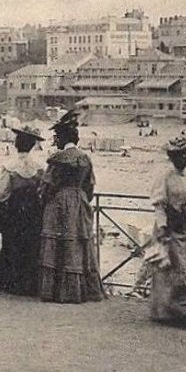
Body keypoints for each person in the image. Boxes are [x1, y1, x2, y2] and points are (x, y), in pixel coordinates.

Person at [38, 112, 104, 303]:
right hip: (80, 201)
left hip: (60, 202)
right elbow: (90, 185)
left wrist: (45, 199)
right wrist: (82, 198)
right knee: (78, 243)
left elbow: (48, 184)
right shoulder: (85, 158)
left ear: (64, 138)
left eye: (57, 137)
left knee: (58, 243)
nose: (55, 141)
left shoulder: (57, 158)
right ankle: (79, 290)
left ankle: (57, 290)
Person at [147, 134, 186, 327]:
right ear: (171, 156)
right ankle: (177, 309)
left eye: (184, 155)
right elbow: (159, 204)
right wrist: (162, 227)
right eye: (177, 155)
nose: (182, 159)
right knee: (172, 267)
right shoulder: (164, 176)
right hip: (169, 226)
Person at [0, 126, 45, 296]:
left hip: (15, 208)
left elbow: (1, 192)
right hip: (33, 208)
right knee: (32, 244)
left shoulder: (9, 166)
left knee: (12, 243)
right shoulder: (39, 167)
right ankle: (30, 283)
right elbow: (43, 190)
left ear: (16, 145)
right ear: (32, 146)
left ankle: (12, 282)